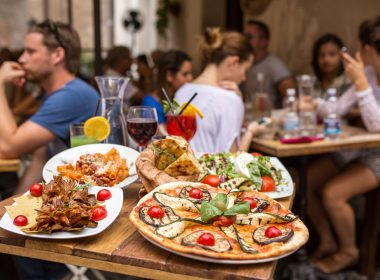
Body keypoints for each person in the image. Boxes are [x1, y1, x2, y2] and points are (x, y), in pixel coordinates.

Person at [0, 19, 100, 279]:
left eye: (30, 51)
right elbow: (40, 158)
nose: (22, 59)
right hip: (64, 194)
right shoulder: (57, 94)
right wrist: (12, 207)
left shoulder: (72, 96)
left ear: (57, 55)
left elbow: (8, 146)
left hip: (86, 205)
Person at [306, 15, 380, 273]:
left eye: (360, 46)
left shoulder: (364, 76)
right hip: (362, 148)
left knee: (332, 193)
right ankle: (327, 240)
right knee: (309, 178)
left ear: (368, 48)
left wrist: (360, 82)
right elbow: (337, 109)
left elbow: (377, 126)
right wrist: (313, 104)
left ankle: (349, 251)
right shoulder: (369, 72)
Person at [175, 27, 265, 153]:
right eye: (245, 69)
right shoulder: (230, 99)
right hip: (211, 172)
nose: (244, 78)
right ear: (233, 62)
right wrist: (250, 132)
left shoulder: (181, 92)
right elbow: (232, 161)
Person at [241, 20, 296, 109]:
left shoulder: (275, 65)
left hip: (268, 119)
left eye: (249, 37)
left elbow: (291, 97)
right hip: (248, 118)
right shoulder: (243, 65)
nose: (244, 41)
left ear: (263, 42)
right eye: (243, 37)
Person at [142, 50, 193, 124]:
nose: (190, 78)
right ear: (169, 76)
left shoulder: (182, 98)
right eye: (185, 74)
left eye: (191, 73)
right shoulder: (150, 104)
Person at [312, 33, 352, 99]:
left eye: (332, 54)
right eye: (322, 55)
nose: (326, 60)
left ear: (342, 56)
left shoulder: (349, 82)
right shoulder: (313, 83)